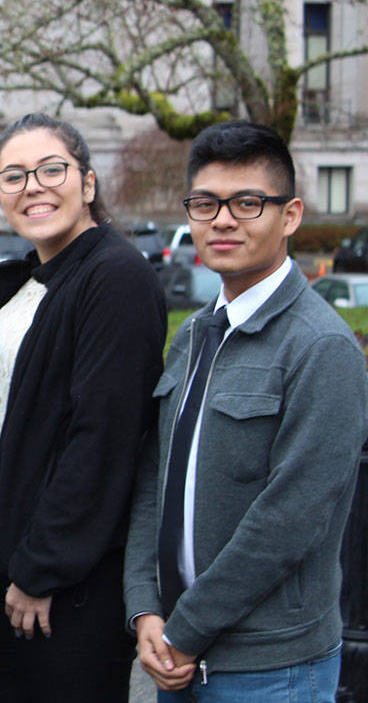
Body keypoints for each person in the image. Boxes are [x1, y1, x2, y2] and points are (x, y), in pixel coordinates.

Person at [125, 120, 368, 702]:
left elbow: (288, 521)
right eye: (206, 203)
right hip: (176, 656)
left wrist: (183, 631)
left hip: (272, 669)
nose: (224, 220)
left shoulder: (321, 347)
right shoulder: (193, 337)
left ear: (290, 216)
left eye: (248, 202)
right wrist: (144, 611)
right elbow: (154, 483)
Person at [0, 113, 166, 702]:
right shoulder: (33, 279)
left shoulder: (115, 277)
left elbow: (101, 439)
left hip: (66, 583)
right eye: (14, 176)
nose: (33, 186)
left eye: (52, 169)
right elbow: (7, 429)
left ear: (89, 183)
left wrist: (41, 569)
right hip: (13, 567)